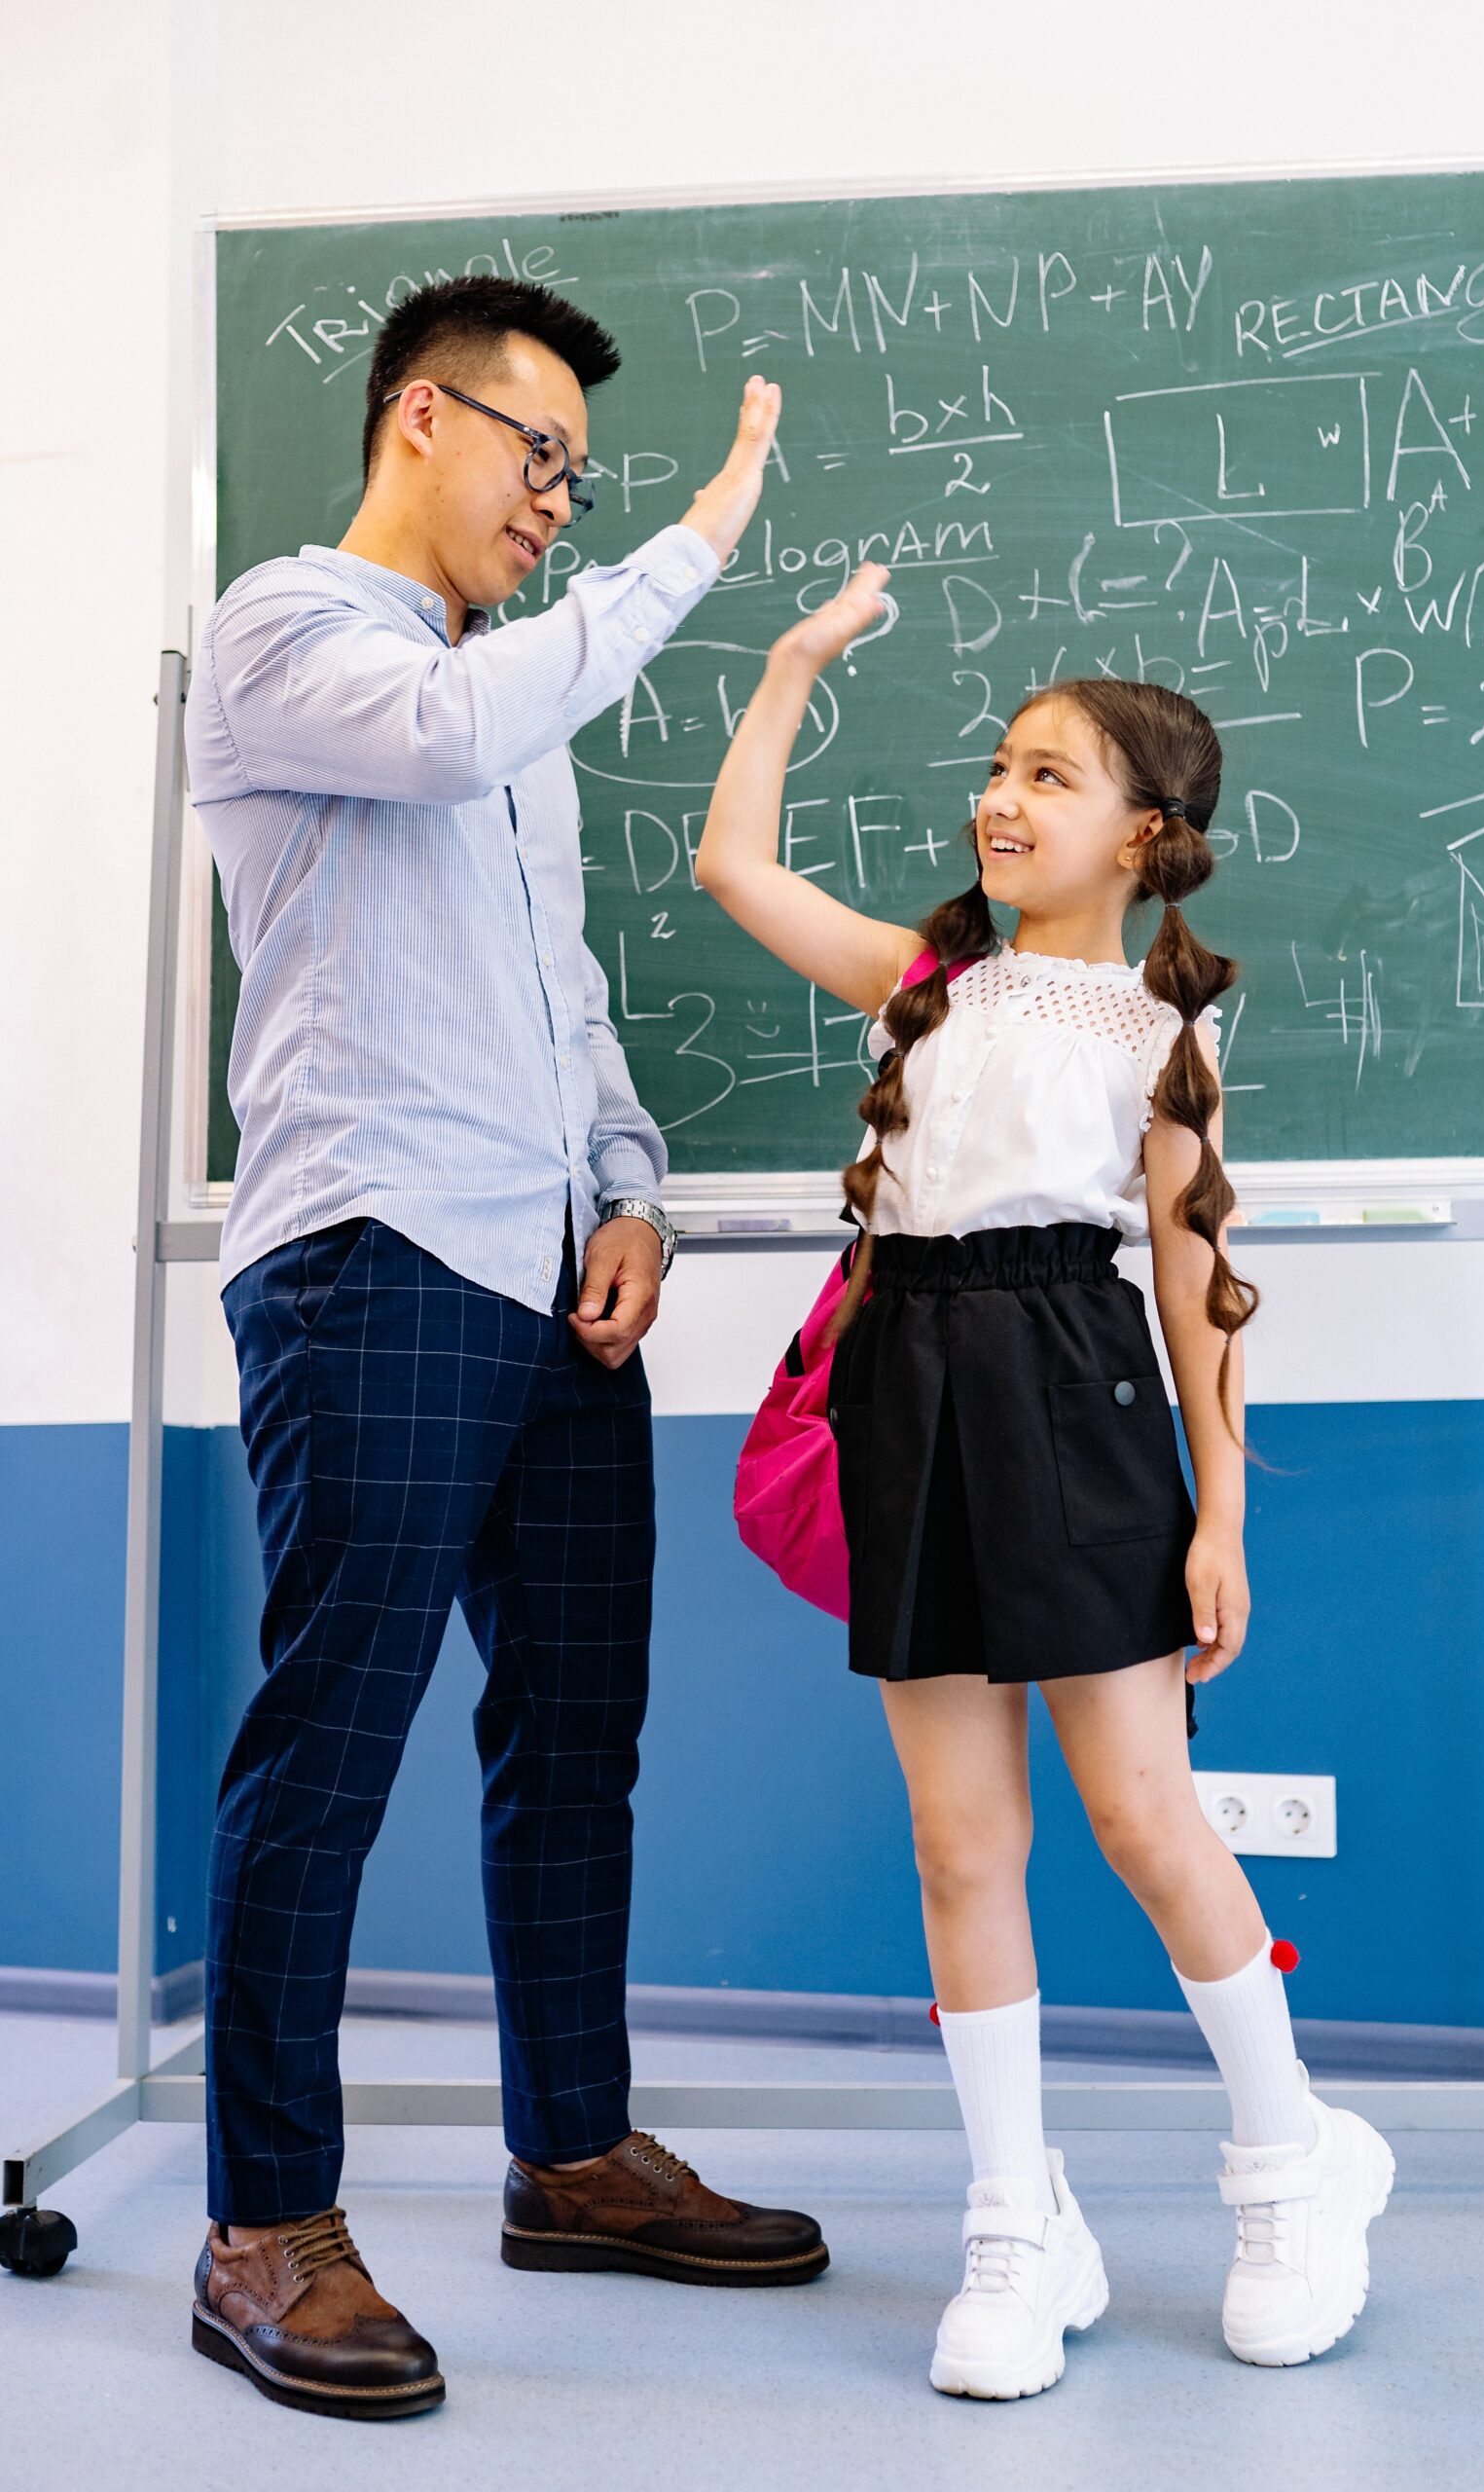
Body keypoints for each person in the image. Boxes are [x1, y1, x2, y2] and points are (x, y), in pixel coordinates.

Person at [185, 276, 824, 2425]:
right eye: (538, 454)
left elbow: (560, 1000)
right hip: (371, 1254)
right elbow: (453, 736)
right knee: (332, 1738)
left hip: (548, 1275)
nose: (562, 499)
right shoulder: (293, 631)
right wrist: (703, 535)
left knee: (576, 1732)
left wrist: (632, 1185)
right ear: (420, 420)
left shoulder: (504, 708)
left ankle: (568, 2145)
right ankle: (265, 2218)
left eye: (588, 474)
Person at [695, 562, 1394, 2400]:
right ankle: (1019, 2221)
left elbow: (1192, 1291)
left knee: (1150, 1823)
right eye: (999, 766)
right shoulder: (932, 981)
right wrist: (786, 666)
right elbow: (735, 873)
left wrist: (1223, 1512)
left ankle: (1291, 2163)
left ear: (1146, 836)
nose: (1003, 798)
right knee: (956, 1841)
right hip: (906, 1402)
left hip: (1073, 1404)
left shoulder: (1162, 1041)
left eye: (1053, 775)